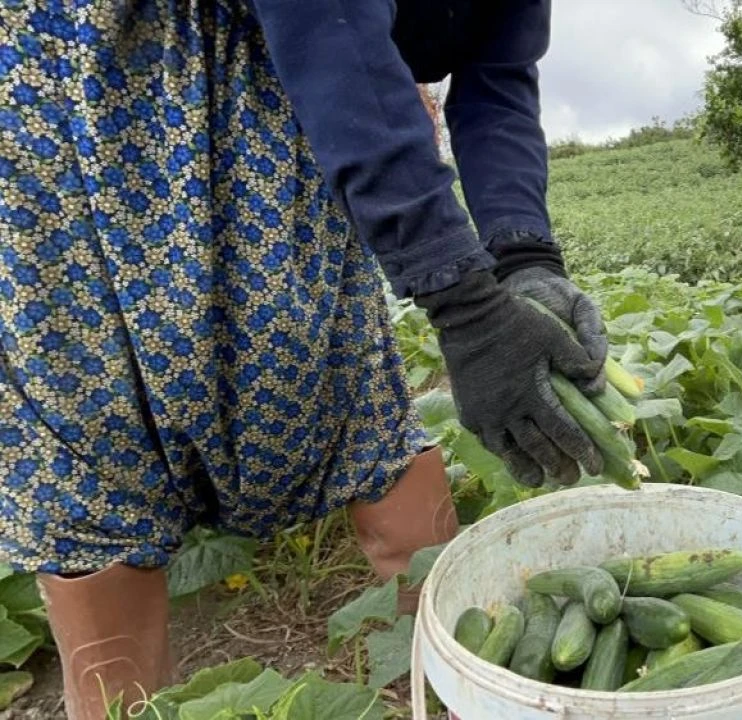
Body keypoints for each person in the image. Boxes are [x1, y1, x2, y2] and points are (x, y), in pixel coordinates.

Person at [0, 0, 605, 716]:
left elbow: (497, 70)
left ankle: (445, 681)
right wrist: (465, 306)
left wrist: (524, 255)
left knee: (332, 362)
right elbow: (327, 19)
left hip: (292, 87)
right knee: (96, 410)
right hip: (101, 77)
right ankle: (124, 704)